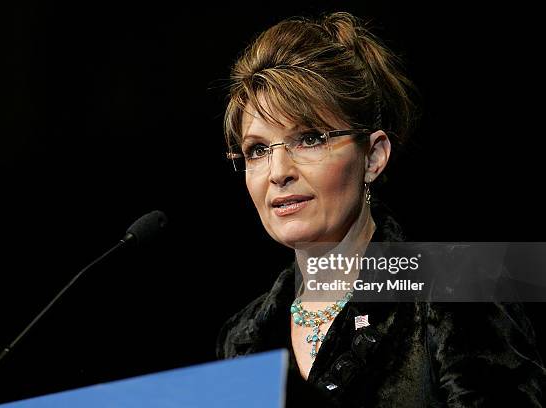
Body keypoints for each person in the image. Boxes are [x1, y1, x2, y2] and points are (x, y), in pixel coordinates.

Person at [215, 11, 545, 407]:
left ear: (372, 157)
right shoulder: (241, 339)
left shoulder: (462, 283)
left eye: (310, 138)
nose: (279, 172)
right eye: (258, 149)